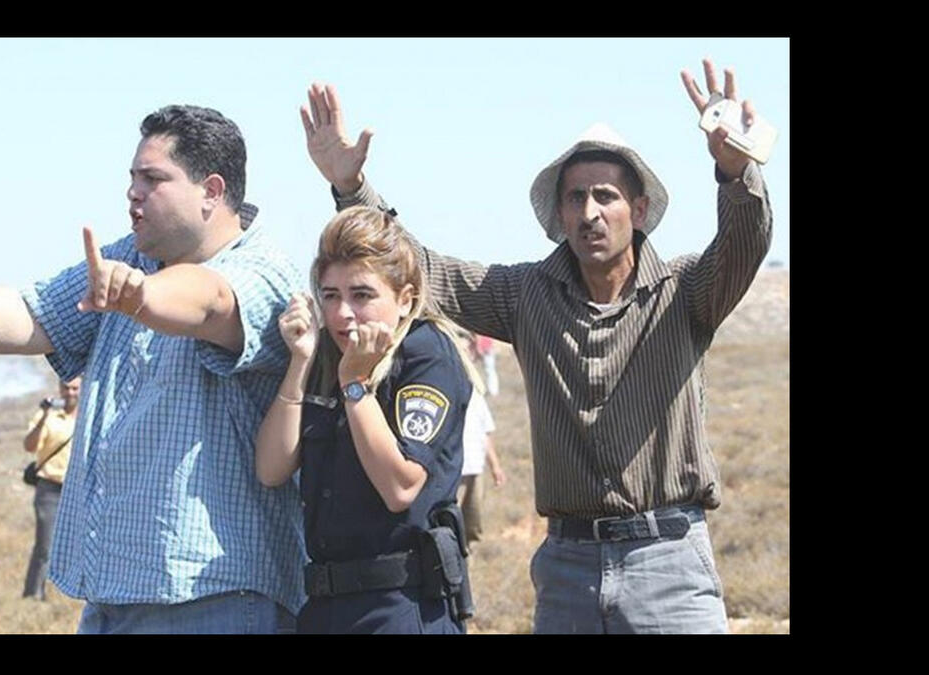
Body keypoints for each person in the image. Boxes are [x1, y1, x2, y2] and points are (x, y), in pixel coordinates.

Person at [299, 59, 773, 633]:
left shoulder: (685, 291)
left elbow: (743, 243)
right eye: (575, 198)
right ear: (559, 212)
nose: (590, 212)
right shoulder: (526, 295)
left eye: (606, 196)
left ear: (640, 210)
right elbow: (419, 270)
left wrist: (734, 174)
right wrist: (351, 188)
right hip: (568, 566)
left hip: (667, 559)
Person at [0, 105, 305, 634]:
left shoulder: (261, 270)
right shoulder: (129, 261)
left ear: (211, 191)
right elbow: (28, 318)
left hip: (214, 599)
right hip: (113, 595)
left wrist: (140, 295)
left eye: (153, 179)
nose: (133, 193)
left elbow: (210, 301)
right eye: (132, 178)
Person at [254, 206, 480, 634]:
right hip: (324, 605)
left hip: (399, 604)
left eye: (362, 295)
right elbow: (271, 469)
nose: (343, 314)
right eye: (330, 295)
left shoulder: (424, 355)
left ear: (405, 299)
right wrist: (301, 362)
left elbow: (400, 487)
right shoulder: (328, 353)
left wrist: (356, 385)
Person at [21, 376, 81, 601]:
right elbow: (30, 446)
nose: (70, 393)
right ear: (59, 388)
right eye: (66, 388)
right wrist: (44, 415)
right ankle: (34, 595)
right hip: (50, 489)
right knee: (46, 545)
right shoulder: (48, 417)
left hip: (77, 489)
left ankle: (68, 596)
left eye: (75, 388)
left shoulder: (89, 415)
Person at [456, 386, 505, 547]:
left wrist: (495, 467)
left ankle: (469, 561)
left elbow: (485, 434)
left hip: (476, 468)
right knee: (450, 522)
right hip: (455, 471)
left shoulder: (477, 396)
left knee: (472, 523)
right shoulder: (449, 389)